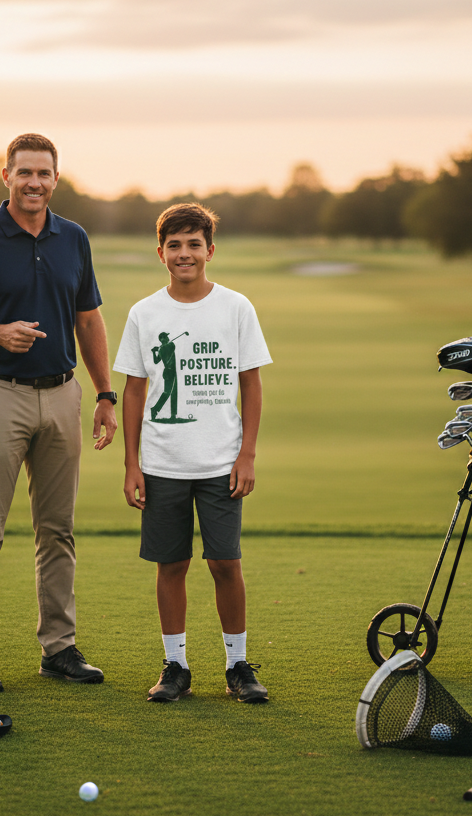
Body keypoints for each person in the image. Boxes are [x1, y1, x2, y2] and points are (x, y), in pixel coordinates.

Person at [0, 133, 117, 693]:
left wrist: (105, 394)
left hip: (62, 394)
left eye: (44, 173)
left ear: (55, 179)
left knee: (57, 530)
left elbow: (88, 319)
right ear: (6, 176)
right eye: (24, 173)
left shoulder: (74, 239)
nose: (34, 182)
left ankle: (58, 647)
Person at [113, 202, 273, 703]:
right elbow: (135, 391)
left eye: (194, 244)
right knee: (171, 564)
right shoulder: (144, 313)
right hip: (162, 464)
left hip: (221, 464)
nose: (185, 254)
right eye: (175, 245)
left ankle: (238, 665)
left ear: (210, 249)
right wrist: (131, 463)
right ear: (161, 253)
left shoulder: (236, 307)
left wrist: (246, 455)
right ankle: (176, 666)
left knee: (225, 563)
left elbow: (251, 385)